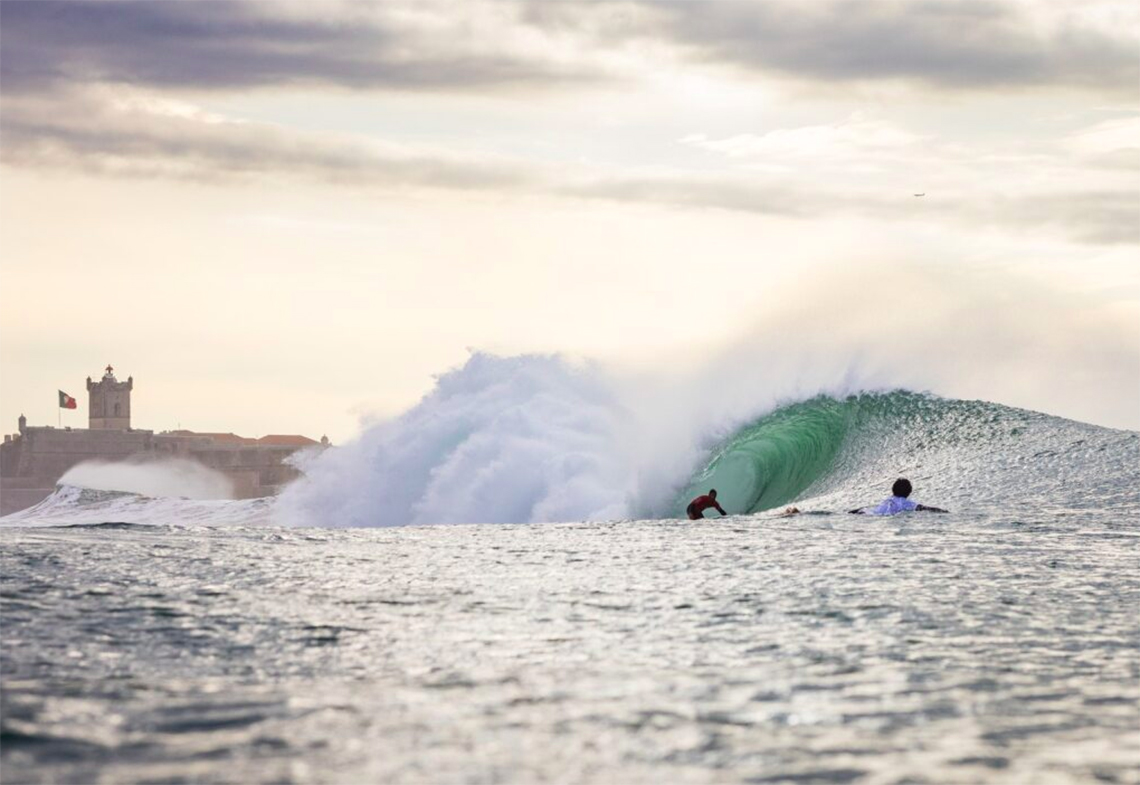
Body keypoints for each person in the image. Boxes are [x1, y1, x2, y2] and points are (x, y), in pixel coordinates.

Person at [849, 478, 947, 515]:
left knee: (861, 510)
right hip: (878, 516)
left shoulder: (888, 499)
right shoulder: (906, 503)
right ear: (909, 491)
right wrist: (942, 511)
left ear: (893, 490)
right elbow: (923, 508)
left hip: (867, 512)